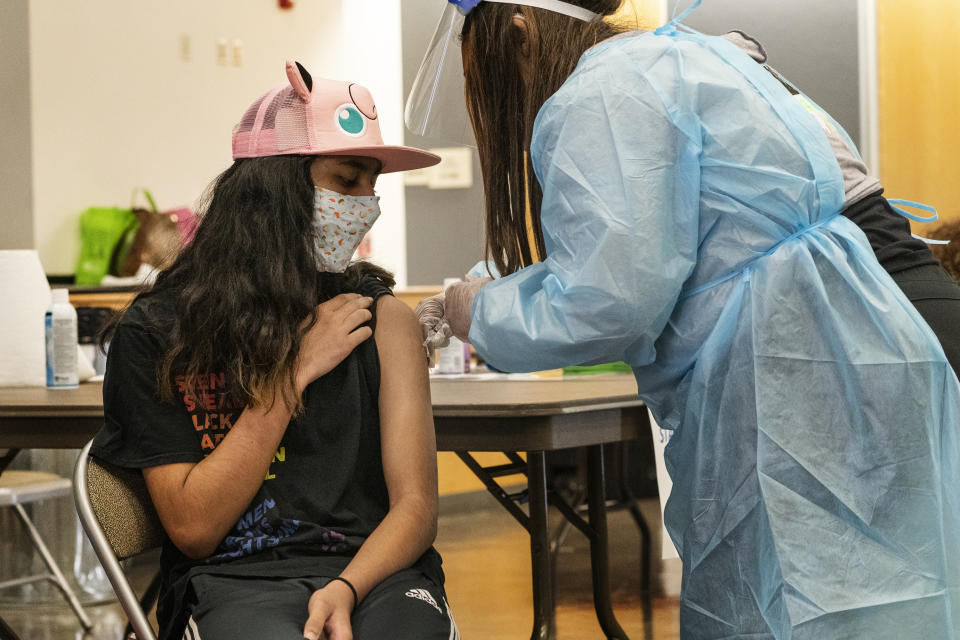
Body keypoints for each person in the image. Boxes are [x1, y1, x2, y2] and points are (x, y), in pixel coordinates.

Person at [408, 1, 960, 638]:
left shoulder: (607, 90)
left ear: (518, 31)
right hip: (890, 323)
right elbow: (655, 249)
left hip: (835, 357)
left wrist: (477, 308)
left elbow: (605, 303)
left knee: (821, 608)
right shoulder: (692, 57)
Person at [91, 61, 458, 640]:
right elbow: (195, 529)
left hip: (377, 574)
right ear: (275, 188)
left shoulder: (381, 317)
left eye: (373, 184)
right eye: (347, 180)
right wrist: (294, 373)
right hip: (234, 581)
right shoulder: (160, 331)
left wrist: (346, 588)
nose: (368, 203)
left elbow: (416, 507)